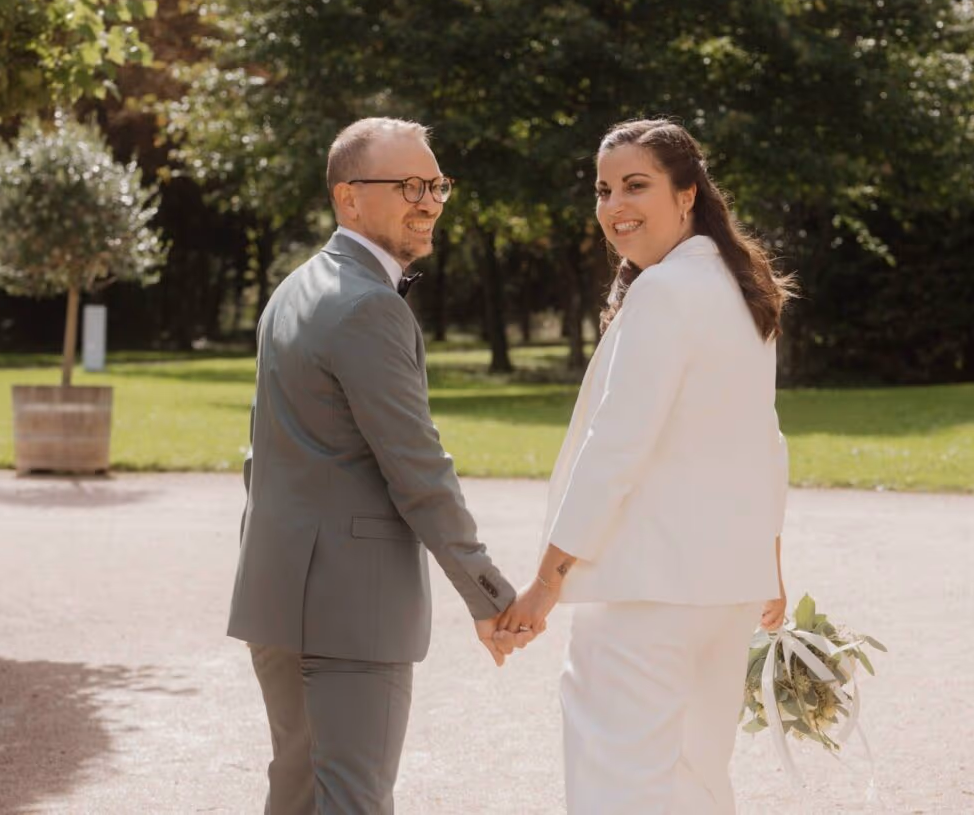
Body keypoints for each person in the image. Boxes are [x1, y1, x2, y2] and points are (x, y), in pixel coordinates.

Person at [497, 117, 796, 813]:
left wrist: (547, 579)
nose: (614, 206)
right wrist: (768, 560)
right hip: (723, 588)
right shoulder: (742, 289)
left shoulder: (663, 292)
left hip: (644, 590)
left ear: (687, 193)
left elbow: (616, 443)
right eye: (603, 189)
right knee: (696, 782)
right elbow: (767, 439)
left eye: (636, 185)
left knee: (617, 783)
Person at [228, 117, 521, 814]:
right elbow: (418, 469)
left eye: (437, 184)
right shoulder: (368, 307)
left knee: (297, 797)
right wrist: (487, 591)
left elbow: (259, 457)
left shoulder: (294, 288)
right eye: (411, 185)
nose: (430, 201)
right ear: (349, 198)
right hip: (349, 611)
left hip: (279, 600)